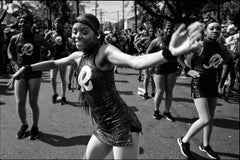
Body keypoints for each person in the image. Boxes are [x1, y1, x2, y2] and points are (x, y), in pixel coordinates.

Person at [8, 13, 202, 159]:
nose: (77, 36)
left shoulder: (105, 51)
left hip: (122, 126)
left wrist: (169, 53)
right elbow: (54, 63)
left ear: (96, 34)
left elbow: (135, 62)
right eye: (75, 32)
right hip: (104, 126)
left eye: (84, 32)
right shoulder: (77, 56)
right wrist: (26, 68)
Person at [177, 19, 223, 159]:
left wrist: (219, 82)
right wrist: (187, 70)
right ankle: (183, 141)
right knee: (205, 118)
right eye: (212, 28)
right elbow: (177, 54)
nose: (215, 31)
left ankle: (205, 145)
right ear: (205, 31)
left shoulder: (219, 46)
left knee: (211, 118)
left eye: (218, 29)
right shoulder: (199, 45)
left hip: (212, 84)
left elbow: (219, 65)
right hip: (199, 83)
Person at [7, 14, 56, 140]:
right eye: (21, 23)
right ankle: (24, 125)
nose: (22, 25)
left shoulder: (37, 38)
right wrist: (13, 62)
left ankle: (35, 127)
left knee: (33, 102)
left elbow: (52, 50)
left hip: (34, 73)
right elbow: (9, 51)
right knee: (20, 102)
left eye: (26, 23)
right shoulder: (15, 38)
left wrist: (43, 62)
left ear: (31, 24)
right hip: (21, 73)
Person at [147, 22, 178, 121]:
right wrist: (151, 65)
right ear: (163, 29)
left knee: (169, 91)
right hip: (159, 68)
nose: (169, 30)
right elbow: (148, 53)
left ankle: (167, 112)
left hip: (172, 68)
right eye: (167, 28)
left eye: (171, 29)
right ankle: (156, 111)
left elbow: (180, 55)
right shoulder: (157, 40)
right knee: (160, 90)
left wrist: (182, 66)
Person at [45, 17, 69, 104]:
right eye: (56, 22)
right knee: (52, 78)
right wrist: (48, 51)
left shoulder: (66, 34)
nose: (57, 24)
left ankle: (64, 96)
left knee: (63, 78)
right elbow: (44, 42)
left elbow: (70, 45)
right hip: (53, 58)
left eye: (59, 23)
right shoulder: (50, 33)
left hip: (63, 58)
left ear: (63, 25)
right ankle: (55, 94)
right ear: (53, 23)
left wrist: (68, 50)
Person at [136, 28, 156, 99]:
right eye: (150, 31)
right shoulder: (146, 38)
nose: (152, 32)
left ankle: (153, 93)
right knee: (147, 76)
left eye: (153, 31)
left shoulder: (156, 39)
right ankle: (145, 93)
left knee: (153, 77)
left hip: (153, 59)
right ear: (148, 32)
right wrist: (140, 52)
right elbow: (136, 43)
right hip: (146, 58)